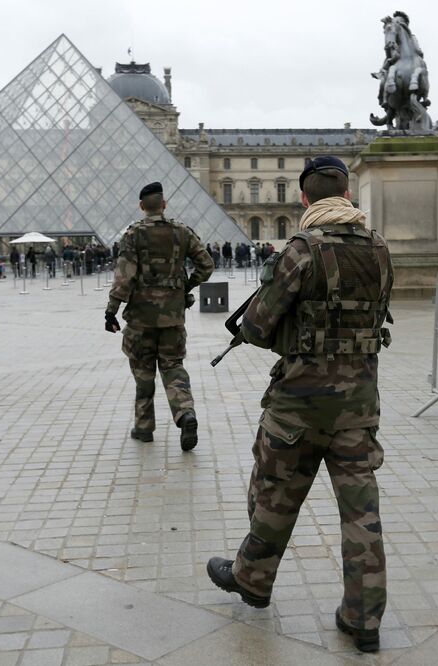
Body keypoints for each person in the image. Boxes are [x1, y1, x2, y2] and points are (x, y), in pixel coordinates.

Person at [206, 156, 394, 653]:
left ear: (305, 199)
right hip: (359, 402)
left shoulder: (302, 249)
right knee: (362, 512)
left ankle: (252, 578)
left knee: (275, 492)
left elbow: (258, 325)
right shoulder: (379, 248)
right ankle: (364, 618)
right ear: (348, 196)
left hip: (300, 403)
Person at [104, 181, 214, 450]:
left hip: (140, 319)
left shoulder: (132, 235)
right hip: (173, 318)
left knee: (143, 372)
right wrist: (185, 286)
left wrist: (111, 310)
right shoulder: (182, 232)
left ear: (142, 206)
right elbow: (206, 265)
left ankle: (144, 428)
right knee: (172, 366)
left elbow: (124, 277)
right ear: (164, 204)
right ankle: (185, 413)